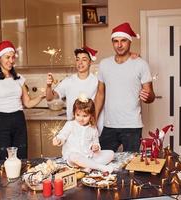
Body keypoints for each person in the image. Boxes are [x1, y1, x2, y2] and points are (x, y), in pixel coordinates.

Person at [95, 22, 155, 153]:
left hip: (132, 126)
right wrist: (93, 118)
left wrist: (148, 96)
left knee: (130, 166)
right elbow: (100, 94)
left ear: (129, 41)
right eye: (115, 41)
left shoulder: (141, 64)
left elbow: (151, 96)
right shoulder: (104, 64)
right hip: (109, 125)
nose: (119, 45)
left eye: (123, 40)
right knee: (102, 162)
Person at [0, 40, 45, 160]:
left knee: (21, 159)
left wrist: (42, 96)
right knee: (3, 160)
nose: (11, 61)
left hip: (18, 120)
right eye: (7, 57)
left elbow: (28, 103)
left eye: (13, 57)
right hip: (0, 122)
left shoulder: (19, 79)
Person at [46, 46, 104, 134]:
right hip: (72, 129)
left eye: (84, 59)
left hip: (90, 129)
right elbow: (50, 98)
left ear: (90, 62)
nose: (80, 62)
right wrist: (49, 86)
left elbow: (100, 102)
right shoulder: (68, 81)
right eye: (77, 59)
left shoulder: (97, 82)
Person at [52, 96, 114, 173]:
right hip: (73, 159)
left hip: (88, 156)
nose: (81, 119)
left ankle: (88, 166)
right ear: (74, 113)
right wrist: (58, 140)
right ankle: (99, 167)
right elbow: (62, 136)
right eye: (78, 115)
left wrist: (96, 146)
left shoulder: (93, 128)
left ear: (91, 116)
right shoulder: (70, 125)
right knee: (73, 156)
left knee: (111, 153)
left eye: (85, 116)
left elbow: (96, 142)